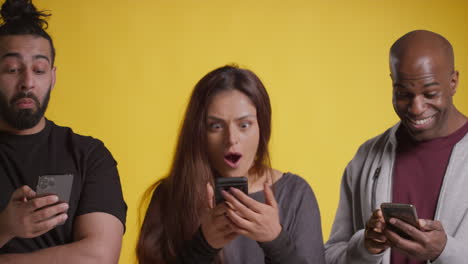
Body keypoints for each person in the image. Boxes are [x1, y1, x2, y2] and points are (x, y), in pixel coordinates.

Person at [137, 65, 325, 264]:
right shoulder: (170, 195)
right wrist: (203, 245)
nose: (231, 139)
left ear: (262, 128)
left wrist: (275, 241)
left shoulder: (296, 194)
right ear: (199, 133)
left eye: (244, 125)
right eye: (216, 126)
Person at [325, 30, 468, 264]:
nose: (416, 107)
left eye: (430, 93)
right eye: (403, 94)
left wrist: (444, 251)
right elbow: (330, 255)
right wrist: (366, 247)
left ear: (453, 82)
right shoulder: (367, 156)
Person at [0, 0, 127, 263]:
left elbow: (99, 257)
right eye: (12, 69)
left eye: (39, 70)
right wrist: (5, 227)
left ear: (53, 77)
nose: (27, 83)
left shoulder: (89, 155)